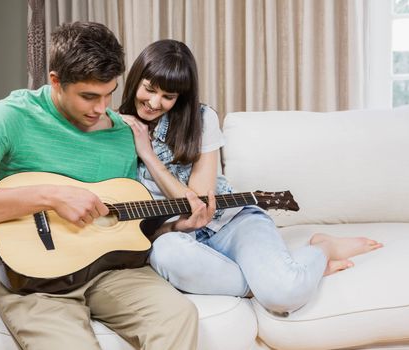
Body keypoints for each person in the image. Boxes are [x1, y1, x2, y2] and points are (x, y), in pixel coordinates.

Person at [0, 23, 198, 350]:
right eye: (88, 96)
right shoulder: (12, 116)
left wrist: (174, 227)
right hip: (34, 281)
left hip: (110, 271)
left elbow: (123, 227)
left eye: (109, 93)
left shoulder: (121, 133)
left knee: (178, 317)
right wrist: (50, 196)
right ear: (56, 81)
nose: (102, 109)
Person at [119, 39, 383, 314]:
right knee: (165, 254)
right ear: (136, 79)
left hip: (230, 222)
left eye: (167, 97)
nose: (153, 102)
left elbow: (195, 202)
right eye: (149, 89)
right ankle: (278, 279)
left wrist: (148, 155)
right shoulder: (115, 128)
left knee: (284, 295)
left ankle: (322, 248)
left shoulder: (201, 118)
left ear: (180, 98)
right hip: (178, 237)